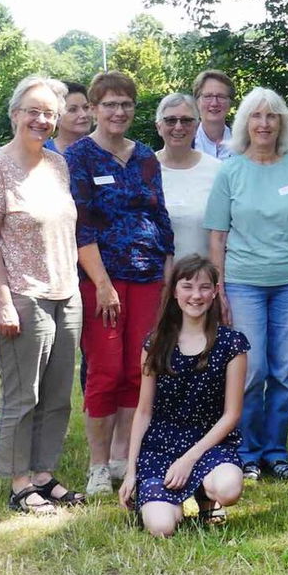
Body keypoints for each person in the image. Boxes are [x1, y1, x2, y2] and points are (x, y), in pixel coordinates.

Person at [0, 76, 87, 513]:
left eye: (49, 114)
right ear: (15, 114)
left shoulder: (57, 165)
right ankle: (19, 484)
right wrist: (2, 301)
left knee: (57, 395)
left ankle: (43, 474)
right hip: (19, 292)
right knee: (24, 394)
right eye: (32, 111)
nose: (41, 120)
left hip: (64, 291)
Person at [205, 87, 288, 481]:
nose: (264, 123)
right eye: (256, 116)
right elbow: (217, 237)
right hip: (243, 284)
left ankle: (276, 451)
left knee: (285, 370)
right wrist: (219, 290)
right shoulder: (230, 170)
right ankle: (247, 450)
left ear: (283, 124)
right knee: (252, 370)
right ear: (245, 124)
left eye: (272, 116)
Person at [67, 70, 176, 498]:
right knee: (105, 370)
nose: (118, 111)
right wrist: (103, 283)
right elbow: (81, 226)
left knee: (139, 368)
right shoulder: (79, 157)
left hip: (149, 277)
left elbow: (160, 217)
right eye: (109, 104)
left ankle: (121, 456)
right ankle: (97, 464)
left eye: (125, 104)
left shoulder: (147, 157)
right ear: (93, 109)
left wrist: (168, 276)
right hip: (101, 281)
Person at [119, 254, 248, 537]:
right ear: (175, 291)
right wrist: (131, 471)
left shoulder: (232, 344)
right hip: (161, 446)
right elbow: (143, 412)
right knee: (161, 527)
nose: (196, 295)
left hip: (209, 443)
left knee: (228, 488)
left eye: (204, 287)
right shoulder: (155, 344)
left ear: (215, 292)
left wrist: (189, 459)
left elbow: (232, 415)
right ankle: (164, 502)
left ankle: (206, 498)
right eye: (187, 286)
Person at [155, 92, 220, 259]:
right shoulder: (144, 169)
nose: (178, 127)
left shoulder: (217, 170)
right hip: (156, 278)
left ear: (197, 126)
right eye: (170, 120)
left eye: (186, 120)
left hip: (203, 279)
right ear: (158, 127)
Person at [191, 69, 238, 160]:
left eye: (221, 96)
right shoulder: (185, 144)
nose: (214, 103)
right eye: (208, 96)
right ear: (197, 102)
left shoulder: (244, 144)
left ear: (230, 103)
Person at [48, 82, 92, 154]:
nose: (83, 114)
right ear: (56, 115)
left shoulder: (104, 149)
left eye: (86, 107)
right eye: (73, 110)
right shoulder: (40, 151)